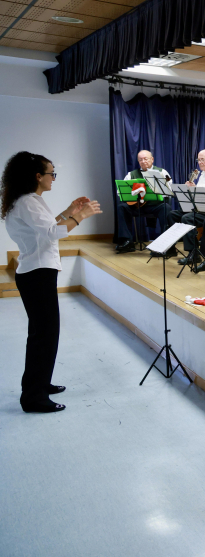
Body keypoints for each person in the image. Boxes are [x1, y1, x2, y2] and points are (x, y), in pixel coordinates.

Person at [1, 151, 102, 413]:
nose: (53, 178)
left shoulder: (26, 201)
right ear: (37, 176)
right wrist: (81, 216)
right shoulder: (28, 202)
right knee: (44, 336)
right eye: (51, 173)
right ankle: (33, 397)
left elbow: (45, 230)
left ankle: (39, 384)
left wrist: (70, 211)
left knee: (42, 334)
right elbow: (52, 233)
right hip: (37, 273)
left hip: (35, 272)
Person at [114, 150, 171, 253]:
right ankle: (126, 241)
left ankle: (165, 244)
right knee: (121, 207)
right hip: (137, 206)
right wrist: (134, 192)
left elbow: (169, 191)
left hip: (155, 206)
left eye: (146, 159)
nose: (143, 161)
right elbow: (120, 192)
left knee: (166, 207)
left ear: (152, 159)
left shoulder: (162, 172)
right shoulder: (131, 174)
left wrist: (155, 190)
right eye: (140, 160)